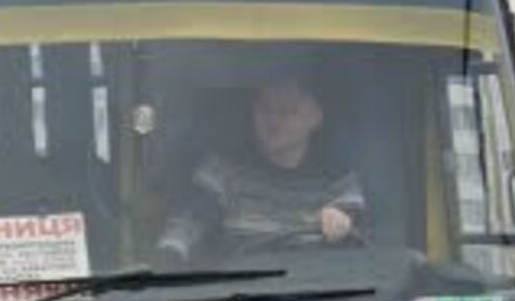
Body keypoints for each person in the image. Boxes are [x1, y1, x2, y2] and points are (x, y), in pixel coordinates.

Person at [156, 74, 367, 265]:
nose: (273, 119)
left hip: (319, 287)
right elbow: (192, 219)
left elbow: (359, 228)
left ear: (315, 118)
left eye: (287, 111)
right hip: (240, 289)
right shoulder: (222, 172)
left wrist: (341, 220)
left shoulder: (336, 178)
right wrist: (170, 252)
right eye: (264, 108)